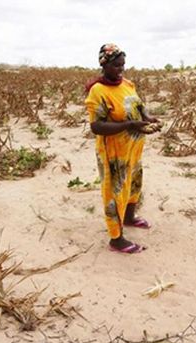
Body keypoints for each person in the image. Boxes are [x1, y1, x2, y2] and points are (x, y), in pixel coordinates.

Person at [85, 43, 159, 254]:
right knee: (115, 192)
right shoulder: (97, 91)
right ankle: (116, 239)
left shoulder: (127, 84)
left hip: (133, 149)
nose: (121, 69)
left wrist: (147, 118)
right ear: (105, 65)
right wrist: (129, 125)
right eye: (117, 65)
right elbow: (96, 126)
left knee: (134, 184)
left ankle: (129, 218)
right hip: (113, 153)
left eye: (123, 65)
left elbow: (138, 107)